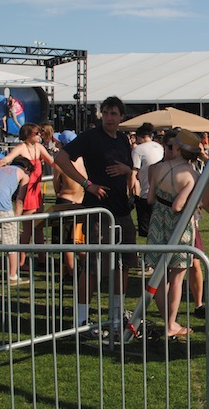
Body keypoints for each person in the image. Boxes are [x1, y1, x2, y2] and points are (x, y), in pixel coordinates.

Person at [53, 96, 136, 333]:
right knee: (91, 265)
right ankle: (81, 319)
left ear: (121, 117)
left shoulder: (123, 139)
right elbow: (61, 158)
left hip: (122, 210)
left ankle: (117, 314)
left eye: (114, 113)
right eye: (106, 113)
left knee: (123, 264)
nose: (109, 118)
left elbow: (130, 168)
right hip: (97, 210)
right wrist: (87, 184)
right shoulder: (90, 136)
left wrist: (127, 170)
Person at [145, 129, 202, 338]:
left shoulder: (157, 168)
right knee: (177, 278)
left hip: (157, 222)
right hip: (179, 227)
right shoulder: (192, 175)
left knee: (159, 277)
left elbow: (150, 199)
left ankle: (167, 321)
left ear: (177, 147)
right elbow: (178, 206)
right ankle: (170, 324)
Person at [0, 123, 55, 250]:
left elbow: (52, 162)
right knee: (27, 229)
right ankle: (20, 258)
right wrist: (1, 164)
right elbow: (7, 158)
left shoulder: (39, 147)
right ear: (28, 135)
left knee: (38, 228)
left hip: (37, 192)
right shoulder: (21, 148)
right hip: (26, 191)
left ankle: (42, 257)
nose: (40, 135)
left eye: (40, 132)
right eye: (37, 133)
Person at [0, 156, 33, 285]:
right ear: (26, 168)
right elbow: (20, 200)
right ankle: (12, 276)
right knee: (11, 243)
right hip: (1, 207)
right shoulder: (23, 174)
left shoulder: (0, 169)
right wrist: (16, 219)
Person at [51, 130, 85, 278]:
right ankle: (86, 269)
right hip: (81, 202)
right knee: (79, 240)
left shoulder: (60, 161)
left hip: (66, 201)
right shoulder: (83, 159)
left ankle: (72, 272)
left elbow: (56, 186)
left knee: (66, 242)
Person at [131, 123, 164, 238]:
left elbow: (134, 173)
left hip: (146, 193)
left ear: (139, 137)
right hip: (161, 192)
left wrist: (130, 192)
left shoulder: (138, 150)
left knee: (147, 230)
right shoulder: (160, 147)